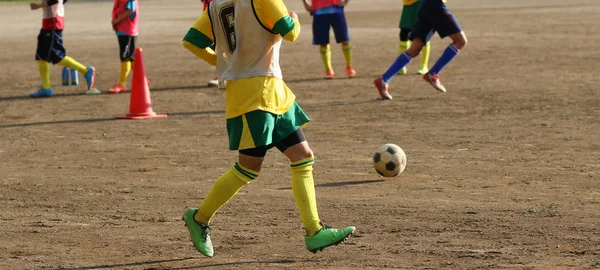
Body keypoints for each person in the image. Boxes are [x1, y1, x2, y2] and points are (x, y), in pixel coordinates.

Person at [181, 0, 355, 257]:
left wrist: (225, 63)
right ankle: (199, 218)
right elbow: (291, 33)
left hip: (272, 92)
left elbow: (192, 40)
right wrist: (294, 18)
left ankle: (314, 231)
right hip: (256, 98)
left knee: (303, 156)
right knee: (248, 169)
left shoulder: (217, 3)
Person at [374, 0, 467, 99]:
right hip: (435, 5)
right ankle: (433, 73)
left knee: (415, 48)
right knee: (460, 41)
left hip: (426, 6)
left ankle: (384, 80)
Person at [29, 0, 98, 98]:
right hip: (48, 23)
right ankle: (46, 87)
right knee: (41, 56)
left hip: (53, 24)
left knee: (57, 56)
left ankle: (86, 71)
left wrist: (38, 6)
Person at [302, 0, 355, 79]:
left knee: (345, 40)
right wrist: (306, 4)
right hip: (319, 11)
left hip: (336, 9)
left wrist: (345, 2)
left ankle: (349, 67)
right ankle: (328, 70)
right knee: (323, 42)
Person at [108, 0, 139, 94]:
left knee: (125, 56)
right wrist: (115, 21)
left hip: (127, 30)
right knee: (130, 56)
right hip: (123, 29)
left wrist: (117, 20)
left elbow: (130, 10)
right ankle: (142, 79)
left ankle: (122, 84)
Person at [398, 0, 430, 76]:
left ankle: (424, 65)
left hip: (422, 4)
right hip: (409, 4)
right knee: (404, 34)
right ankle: (401, 65)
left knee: (424, 34)